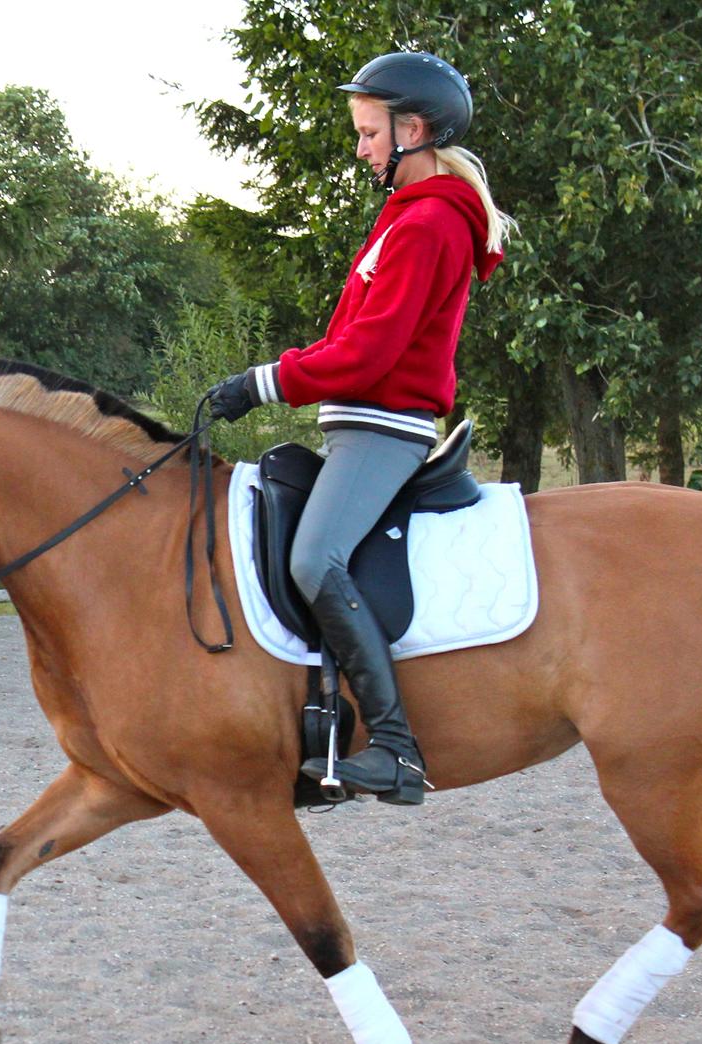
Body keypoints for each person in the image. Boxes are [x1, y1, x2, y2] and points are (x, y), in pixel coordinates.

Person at [208, 51, 514, 806]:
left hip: (386, 428)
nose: (361, 147)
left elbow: (369, 352)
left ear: (413, 129)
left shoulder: (433, 221)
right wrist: (278, 372)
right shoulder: (407, 216)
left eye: (370, 132)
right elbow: (348, 339)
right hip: (357, 425)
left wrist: (266, 382)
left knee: (315, 560)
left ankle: (398, 750)